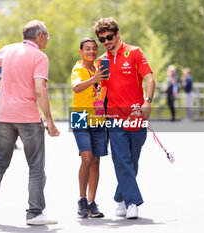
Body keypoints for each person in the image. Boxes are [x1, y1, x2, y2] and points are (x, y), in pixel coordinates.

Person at [0, 20, 60, 226]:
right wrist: (49, 120)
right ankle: (35, 213)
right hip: (28, 118)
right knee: (35, 166)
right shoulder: (39, 56)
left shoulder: (8, 50)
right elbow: (39, 90)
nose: (47, 40)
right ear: (41, 36)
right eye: (47, 36)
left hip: (3, 117)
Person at [94, 17, 155, 219]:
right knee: (121, 159)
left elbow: (149, 77)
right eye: (102, 39)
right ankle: (132, 203)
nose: (106, 42)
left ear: (118, 33)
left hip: (137, 115)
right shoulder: (101, 62)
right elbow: (100, 92)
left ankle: (120, 196)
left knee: (132, 160)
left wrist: (148, 101)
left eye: (109, 37)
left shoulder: (135, 52)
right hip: (114, 117)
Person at [70, 38, 109, 218]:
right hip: (80, 116)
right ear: (81, 52)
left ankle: (92, 203)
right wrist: (94, 79)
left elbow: (102, 92)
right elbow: (76, 87)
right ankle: (82, 199)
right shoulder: (78, 69)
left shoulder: (100, 69)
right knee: (86, 158)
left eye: (94, 49)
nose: (91, 52)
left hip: (98, 117)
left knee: (96, 161)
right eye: (87, 49)